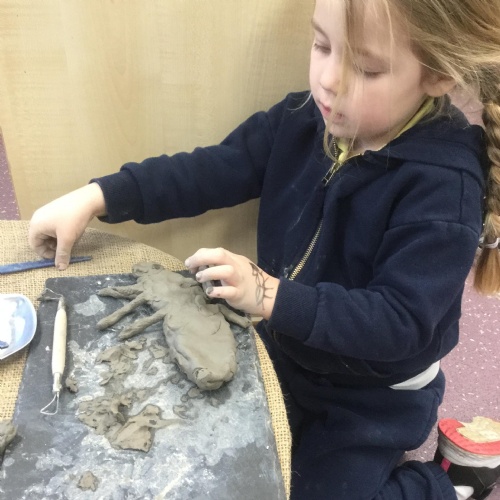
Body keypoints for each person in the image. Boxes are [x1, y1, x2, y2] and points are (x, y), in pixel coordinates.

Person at [28, 0, 500, 498]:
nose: (328, 80)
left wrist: (271, 295)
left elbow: (398, 322)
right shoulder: (303, 119)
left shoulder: (444, 187)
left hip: (370, 394)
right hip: (287, 350)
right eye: (321, 46)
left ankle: (454, 481)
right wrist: (100, 196)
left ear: (438, 75)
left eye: (365, 68)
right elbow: (213, 169)